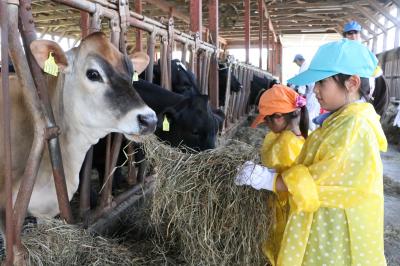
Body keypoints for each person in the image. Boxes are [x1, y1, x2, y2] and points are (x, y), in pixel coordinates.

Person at [236, 39, 388, 265]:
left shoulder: (354, 126)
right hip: (328, 224)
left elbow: (319, 182)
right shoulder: (342, 120)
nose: (315, 90)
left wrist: (268, 180)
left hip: (337, 232)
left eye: (322, 82)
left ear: (352, 83)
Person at [248, 84, 309, 264]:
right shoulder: (304, 136)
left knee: (280, 248)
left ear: (279, 117)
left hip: (284, 212)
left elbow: (288, 185)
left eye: (267, 119)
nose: (266, 124)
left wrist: (263, 177)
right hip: (297, 214)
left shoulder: (285, 143)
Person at [293, 54, 320, 131]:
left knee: (309, 114)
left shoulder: (303, 68)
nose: (297, 64)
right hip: (316, 91)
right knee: (315, 112)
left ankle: (310, 132)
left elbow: (302, 86)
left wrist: (298, 103)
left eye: (296, 62)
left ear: (298, 60)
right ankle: (316, 131)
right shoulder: (308, 65)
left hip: (312, 92)